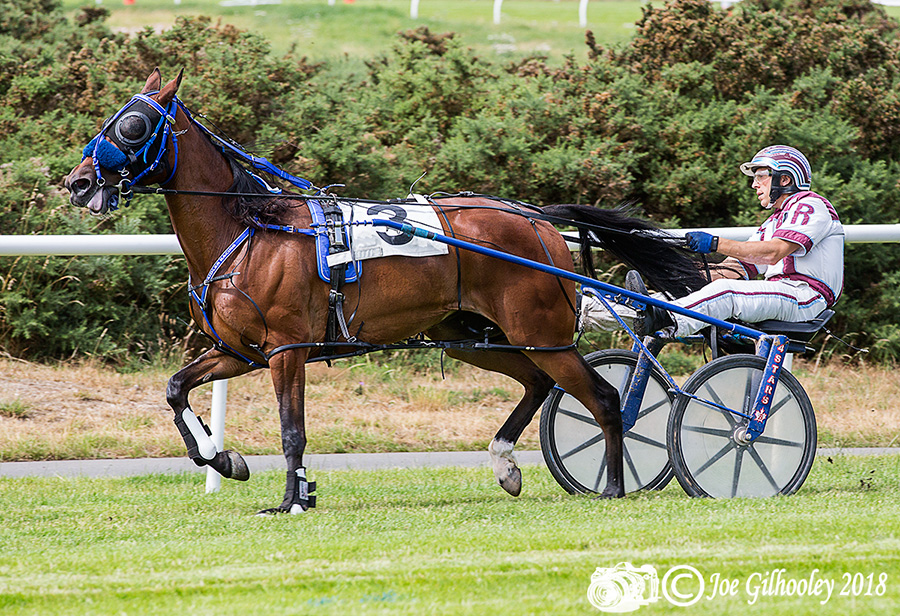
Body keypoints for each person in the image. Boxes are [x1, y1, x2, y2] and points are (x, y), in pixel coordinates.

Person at [629, 144, 844, 338]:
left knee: (727, 291)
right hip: (781, 294)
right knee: (678, 293)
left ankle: (667, 320)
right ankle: (606, 310)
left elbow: (773, 252)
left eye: (761, 176)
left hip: (805, 296)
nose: (754, 185)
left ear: (785, 179)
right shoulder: (774, 221)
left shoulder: (810, 204)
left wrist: (715, 243)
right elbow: (737, 268)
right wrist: (680, 276)